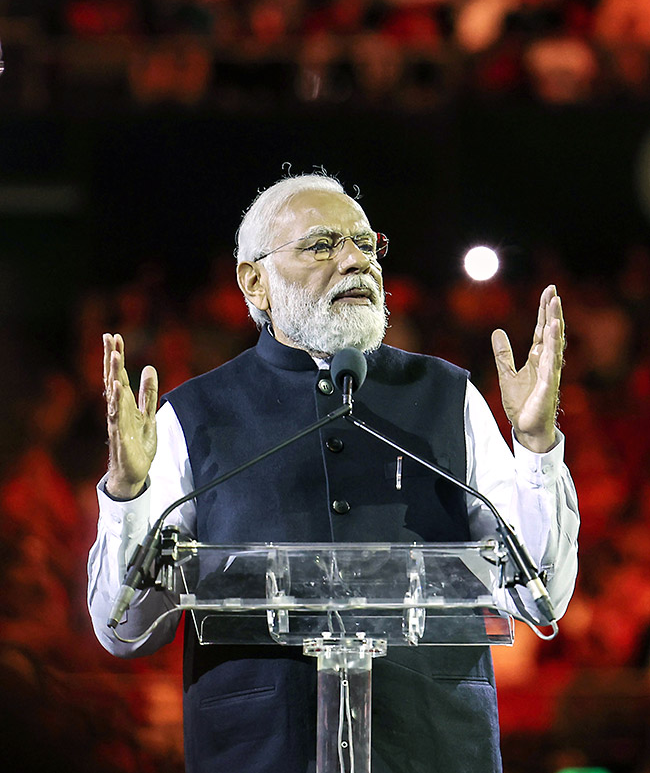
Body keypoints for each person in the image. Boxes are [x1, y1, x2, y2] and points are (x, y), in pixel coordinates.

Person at [88, 172, 579, 773]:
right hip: (256, 754)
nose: (355, 261)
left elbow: (541, 598)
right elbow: (124, 630)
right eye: (323, 245)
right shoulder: (192, 417)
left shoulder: (448, 396)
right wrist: (128, 494)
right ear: (255, 281)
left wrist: (536, 447)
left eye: (367, 245)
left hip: (437, 751)